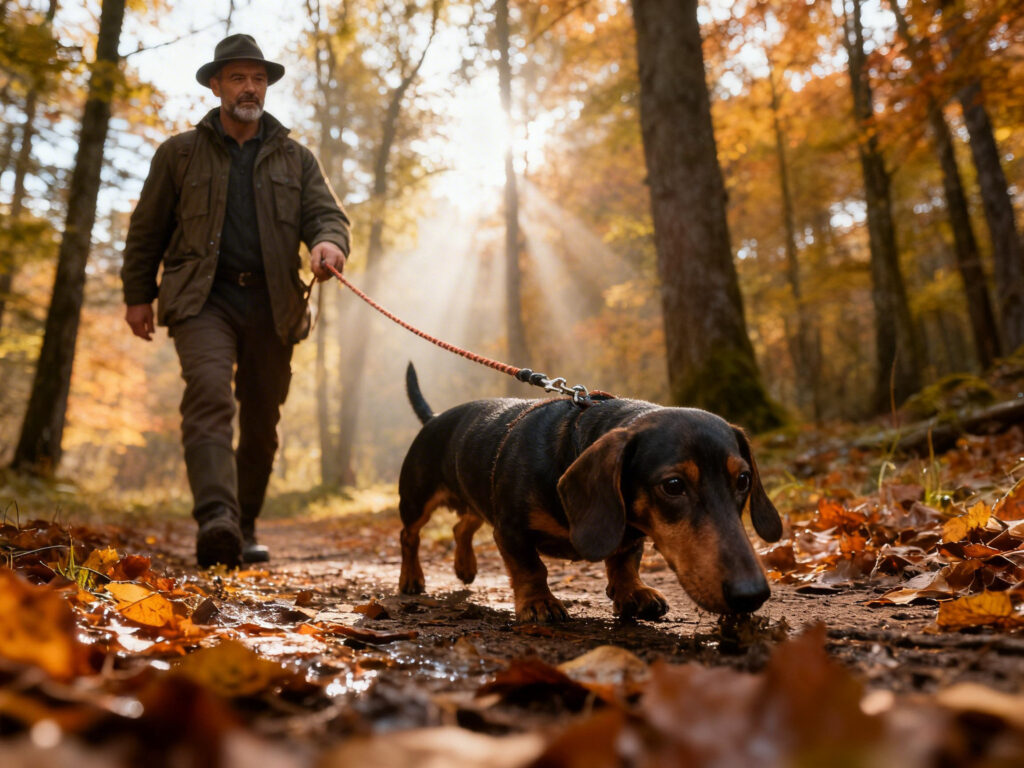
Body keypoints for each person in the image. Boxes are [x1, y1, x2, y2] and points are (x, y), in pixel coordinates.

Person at [121, 34, 350, 568]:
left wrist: (328, 243)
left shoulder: (296, 158)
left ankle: (243, 525)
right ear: (216, 84)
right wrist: (138, 295)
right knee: (208, 395)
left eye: (259, 78)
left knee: (263, 419)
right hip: (201, 299)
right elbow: (146, 230)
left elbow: (327, 216)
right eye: (239, 77)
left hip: (274, 304)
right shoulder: (178, 153)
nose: (251, 87)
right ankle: (216, 519)